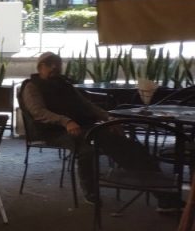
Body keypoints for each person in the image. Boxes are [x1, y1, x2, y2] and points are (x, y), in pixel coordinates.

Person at [21, 52, 183, 210]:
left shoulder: (65, 84)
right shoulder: (32, 86)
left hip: (81, 126)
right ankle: (90, 191)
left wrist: (109, 119)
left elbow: (87, 105)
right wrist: (66, 121)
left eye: (58, 63)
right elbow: (38, 112)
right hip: (53, 131)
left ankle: (165, 196)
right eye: (50, 64)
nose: (55, 67)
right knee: (86, 150)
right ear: (40, 67)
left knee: (125, 145)